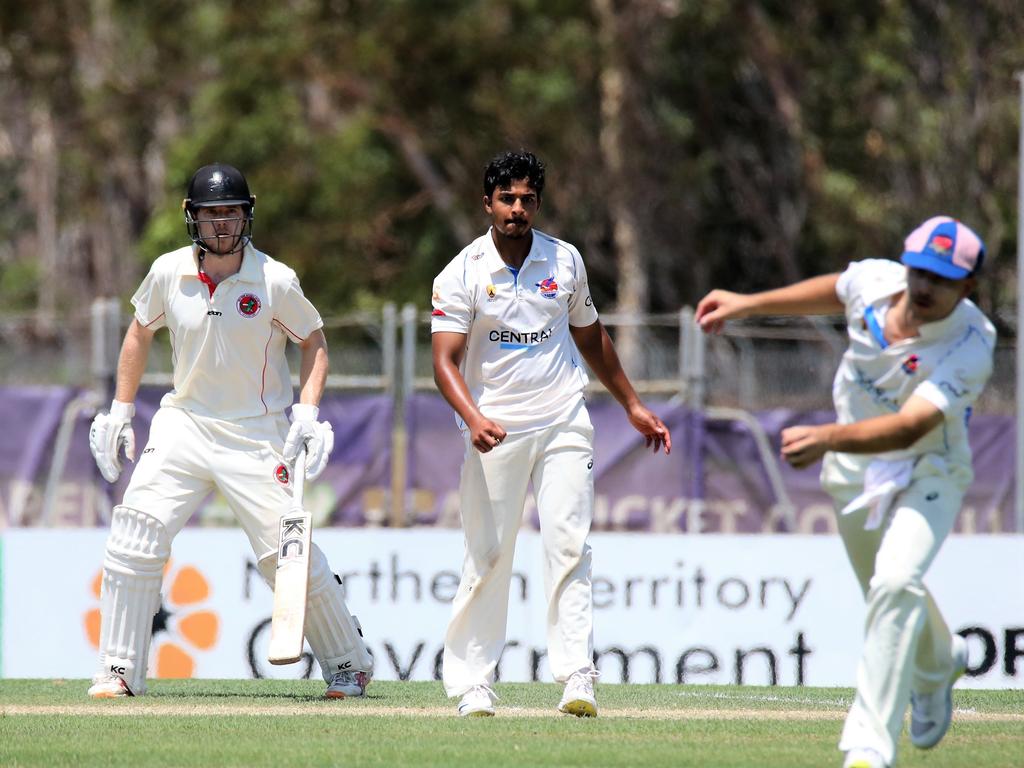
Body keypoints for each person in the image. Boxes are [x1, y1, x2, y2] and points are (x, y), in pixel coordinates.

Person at [695, 216, 994, 768]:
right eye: (920, 272)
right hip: (855, 473)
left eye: (943, 280)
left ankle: (867, 746)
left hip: (928, 468)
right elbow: (835, 289)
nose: (925, 287)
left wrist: (829, 436)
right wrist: (745, 304)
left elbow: (910, 426)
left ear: (968, 287)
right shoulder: (877, 282)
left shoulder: (972, 342)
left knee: (897, 579)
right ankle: (939, 663)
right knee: (886, 589)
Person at [86, 162, 373, 699]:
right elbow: (139, 332)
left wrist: (306, 413)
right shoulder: (169, 272)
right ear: (191, 217)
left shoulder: (275, 280)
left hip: (256, 431)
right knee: (134, 536)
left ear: (249, 216)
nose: (223, 225)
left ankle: (348, 664)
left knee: (285, 557)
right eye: (212, 214)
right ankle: (119, 670)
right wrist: (121, 409)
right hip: (185, 424)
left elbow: (314, 342)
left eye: (233, 214)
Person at [431, 150, 672, 717]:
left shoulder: (564, 261)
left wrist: (632, 404)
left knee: (568, 546)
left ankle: (577, 677)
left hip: (564, 418)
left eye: (528, 200)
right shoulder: (461, 272)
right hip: (494, 429)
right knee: (488, 555)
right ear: (487, 203)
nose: (517, 209)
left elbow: (591, 337)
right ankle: (473, 682)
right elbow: (444, 362)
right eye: (507, 199)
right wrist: (474, 418)